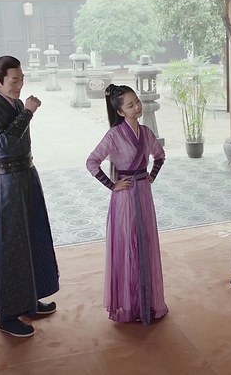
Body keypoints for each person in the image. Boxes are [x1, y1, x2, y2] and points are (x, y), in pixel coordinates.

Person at [0, 55, 60, 338]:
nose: (19, 85)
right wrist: (27, 114)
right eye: (13, 80)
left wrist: (24, 111)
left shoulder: (18, 104)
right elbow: (1, 146)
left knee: (33, 238)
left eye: (21, 79)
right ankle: (8, 316)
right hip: (6, 182)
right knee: (9, 247)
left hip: (27, 176)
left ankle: (29, 300)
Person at [86, 84, 168, 325]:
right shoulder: (114, 135)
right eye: (130, 105)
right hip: (124, 196)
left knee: (145, 245)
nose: (137, 107)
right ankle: (129, 304)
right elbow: (92, 162)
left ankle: (147, 303)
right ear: (120, 112)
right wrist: (112, 185)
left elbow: (160, 155)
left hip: (143, 193)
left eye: (137, 102)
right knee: (127, 246)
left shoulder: (146, 132)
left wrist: (152, 175)